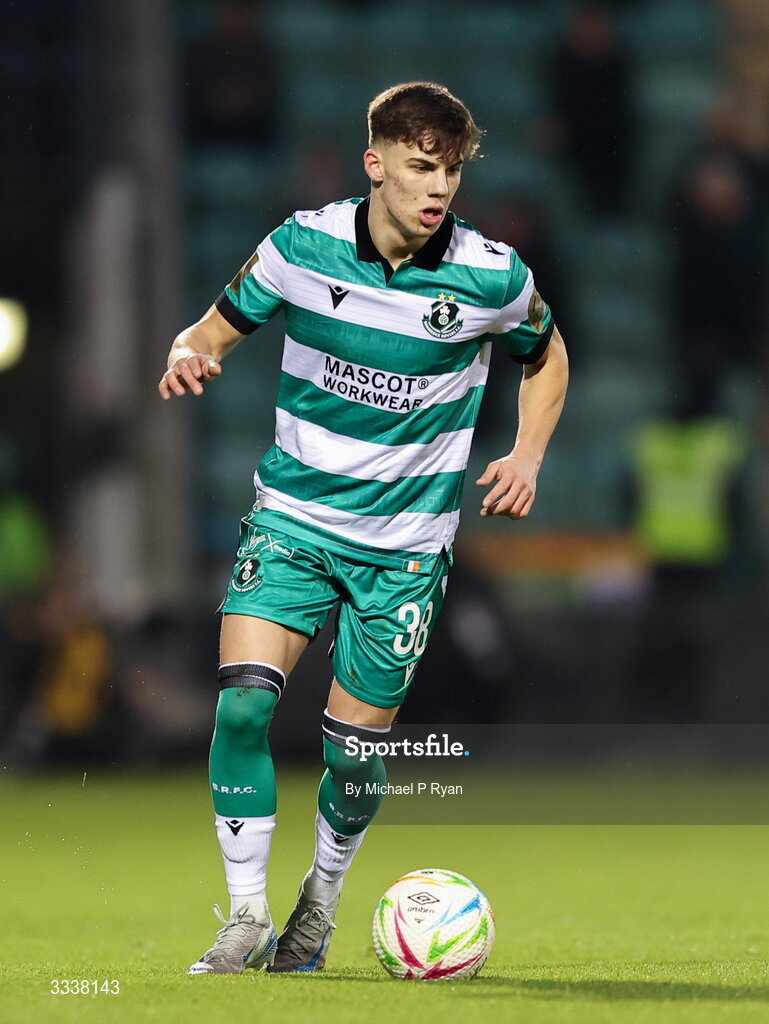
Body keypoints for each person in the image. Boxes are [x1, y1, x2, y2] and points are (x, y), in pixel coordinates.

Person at [158, 82, 569, 976]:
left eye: (452, 173)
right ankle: (244, 919)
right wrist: (188, 353)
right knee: (243, 704)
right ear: (374, 163)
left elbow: (546, 351)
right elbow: (213, 330)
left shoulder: (492, 274)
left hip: (404, 553)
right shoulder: (298, 248)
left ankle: (322, 899)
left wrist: (527, 453)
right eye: (422, 168)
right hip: (294, 523)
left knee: (352, 759)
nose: (438, 190)